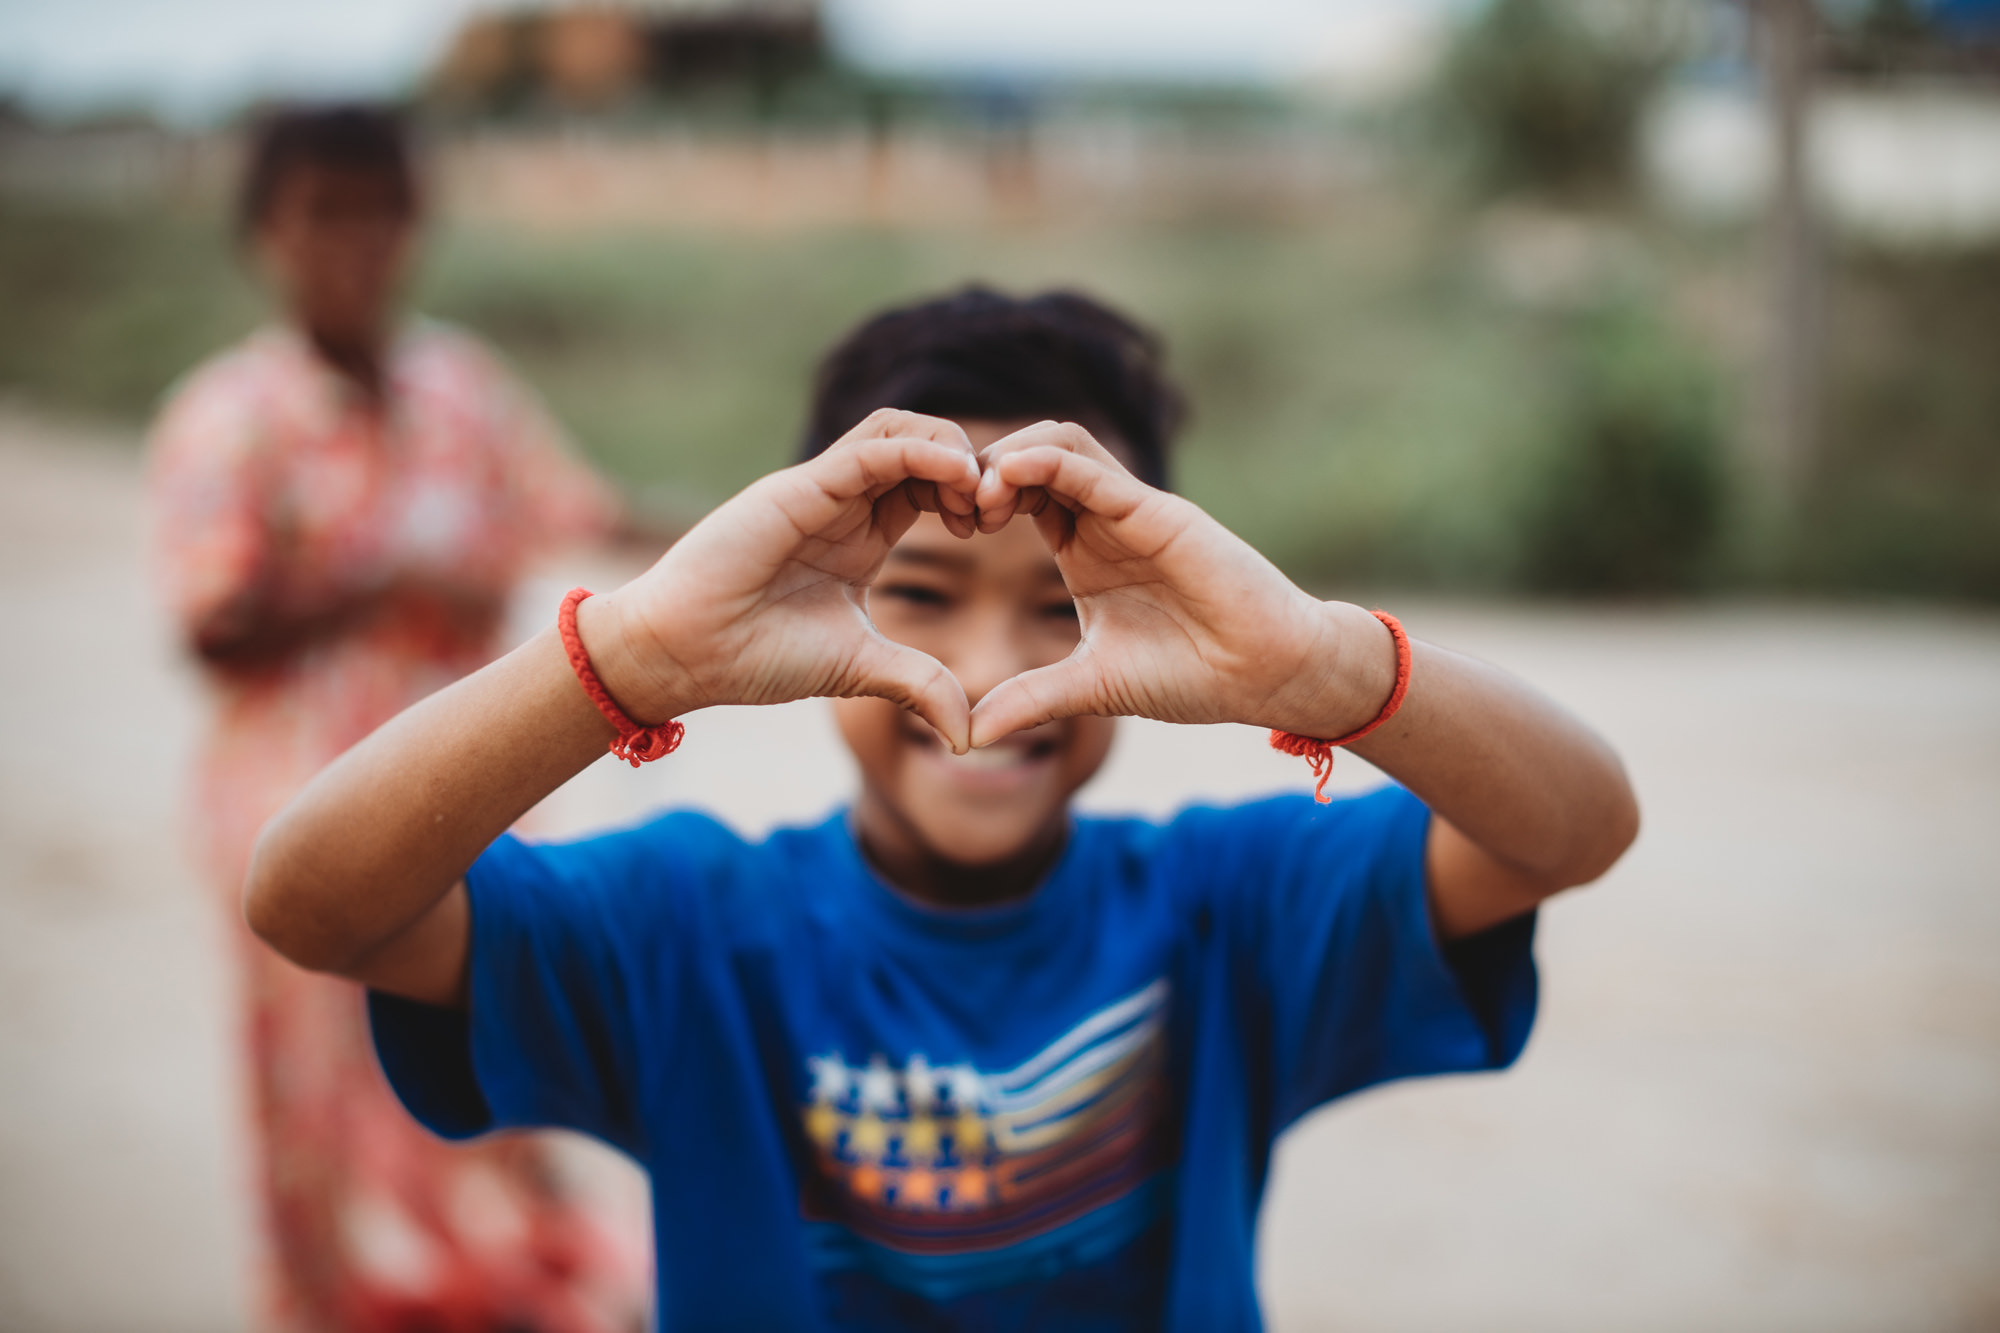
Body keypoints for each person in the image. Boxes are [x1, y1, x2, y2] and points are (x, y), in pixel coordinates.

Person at [244, 287, 1640, 1330]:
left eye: (1063, 613)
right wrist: (634, 653)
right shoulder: (679, 926)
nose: (985, 677)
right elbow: (315, 901)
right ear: (818, 601)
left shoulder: (1233, 905)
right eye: (918, 599)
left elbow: (1571, 829)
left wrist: (1320, 664)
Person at [147, 105, 646, 1333]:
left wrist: (787, 524)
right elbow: (212, 626)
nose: (357, 242)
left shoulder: (462, 391)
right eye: (325, 212)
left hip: (474, 820)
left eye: (380, 211)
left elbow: (582, 507)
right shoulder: (233, 417)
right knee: (322, 1101)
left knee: (488, 1061)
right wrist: (384, 583)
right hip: (303, 822)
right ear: (267, 232)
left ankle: (510, 1290)